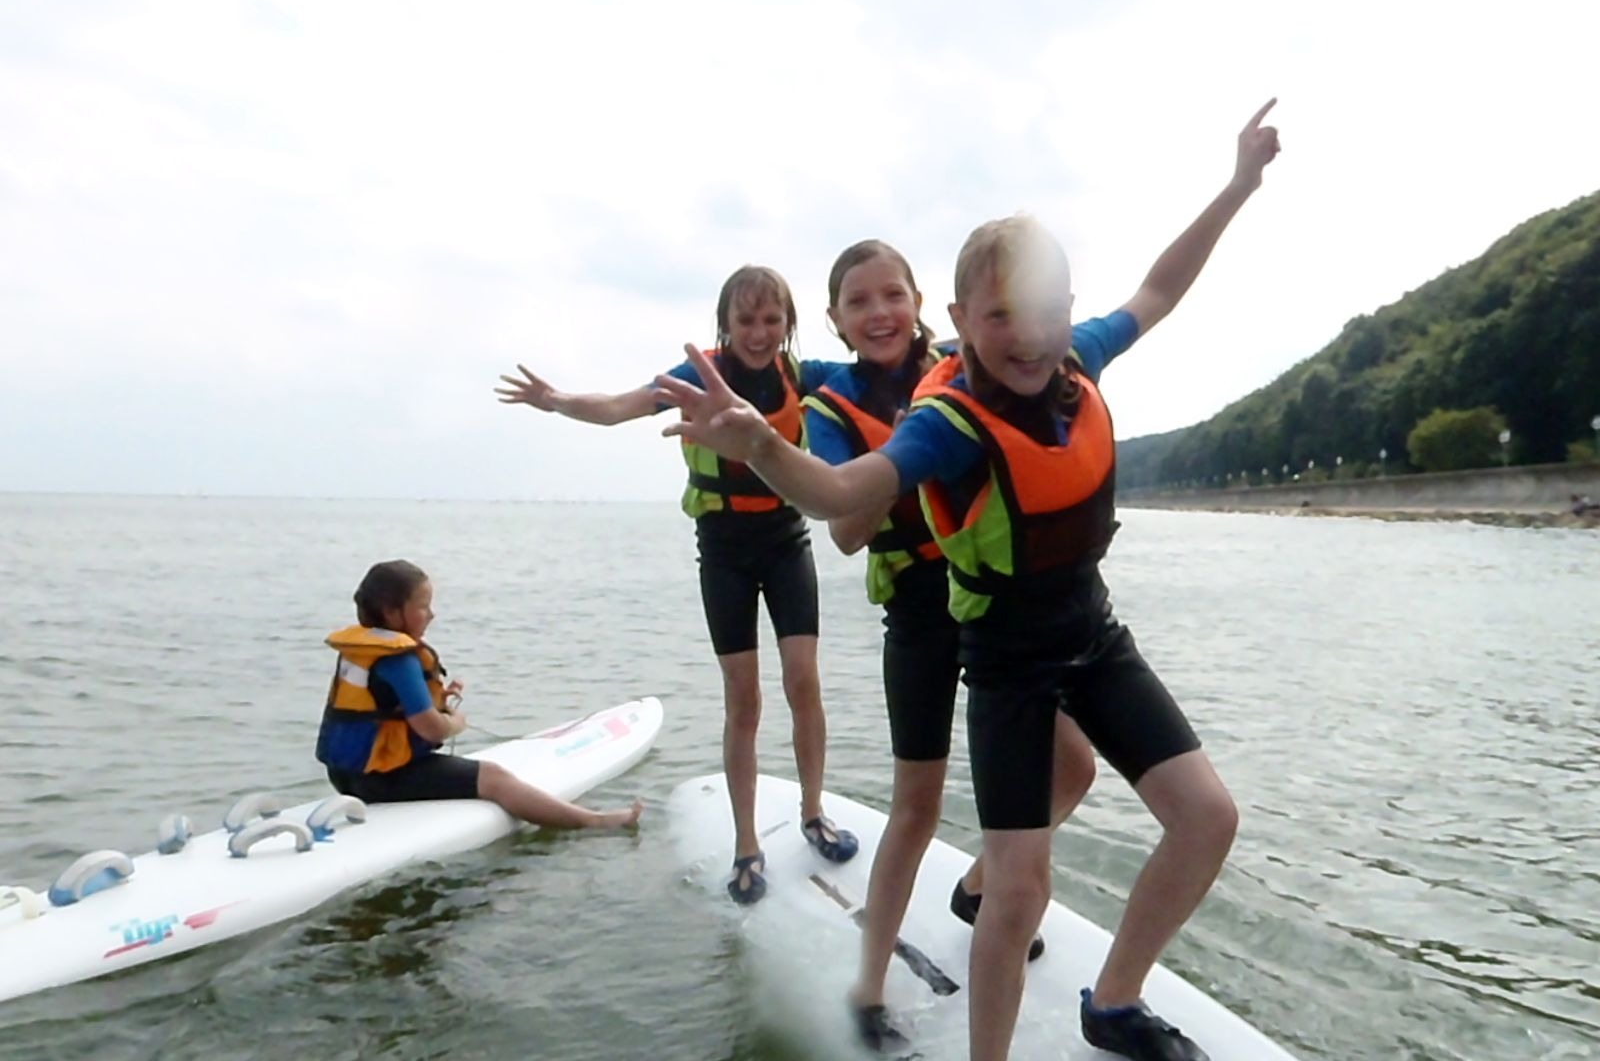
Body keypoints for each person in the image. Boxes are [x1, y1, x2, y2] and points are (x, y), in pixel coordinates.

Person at [655, 100, 1282, 1061]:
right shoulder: (932, 420)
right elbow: (841, 504)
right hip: (980, 644)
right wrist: (757, 443)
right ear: (961, 323)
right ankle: (922, 1000)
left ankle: (1103, 992)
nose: (1026, 337)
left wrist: (1236, 185)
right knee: (975, 850)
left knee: (1201, 817)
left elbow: (1161, 286)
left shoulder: (1068, 361)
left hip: (1088, 632)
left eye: (1043, 312)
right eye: (998, 317)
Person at [805, 240, 1097, 1051]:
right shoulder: (830, 411)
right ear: (836, 320)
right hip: (923, 615)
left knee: (1074, 766)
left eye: (892, 295)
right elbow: (845, 534)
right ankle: (869, 981)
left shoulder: (964, 366)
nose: (879, 313)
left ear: (921, 301)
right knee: (917, 805)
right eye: (859, 302)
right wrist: (897, 458)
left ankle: (979, 889)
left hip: (1000, 610)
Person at [495, 265, 858, 904]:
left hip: (785, 542)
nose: (759, 332)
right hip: (723, 551)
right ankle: (748, 845)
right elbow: (617, 409)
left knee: (805, 681)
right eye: (745, 320)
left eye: (771, 320)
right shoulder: (695, 375)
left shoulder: (804, 378)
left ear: (789, 324)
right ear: (725, 324)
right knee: (743, 700)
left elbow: (881, 377)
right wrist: (556, 401)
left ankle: (813, 811)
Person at [317, 559, 643, 829]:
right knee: (494, 778)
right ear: (392, 613)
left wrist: (438, 698)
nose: (431, 614)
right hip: (385, 780)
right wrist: (456, 722)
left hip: (344, 776)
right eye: (423, 606)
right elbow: (430, 728)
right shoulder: (399, 658)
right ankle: (596, 823)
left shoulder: (360, 649)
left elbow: (383, 708)